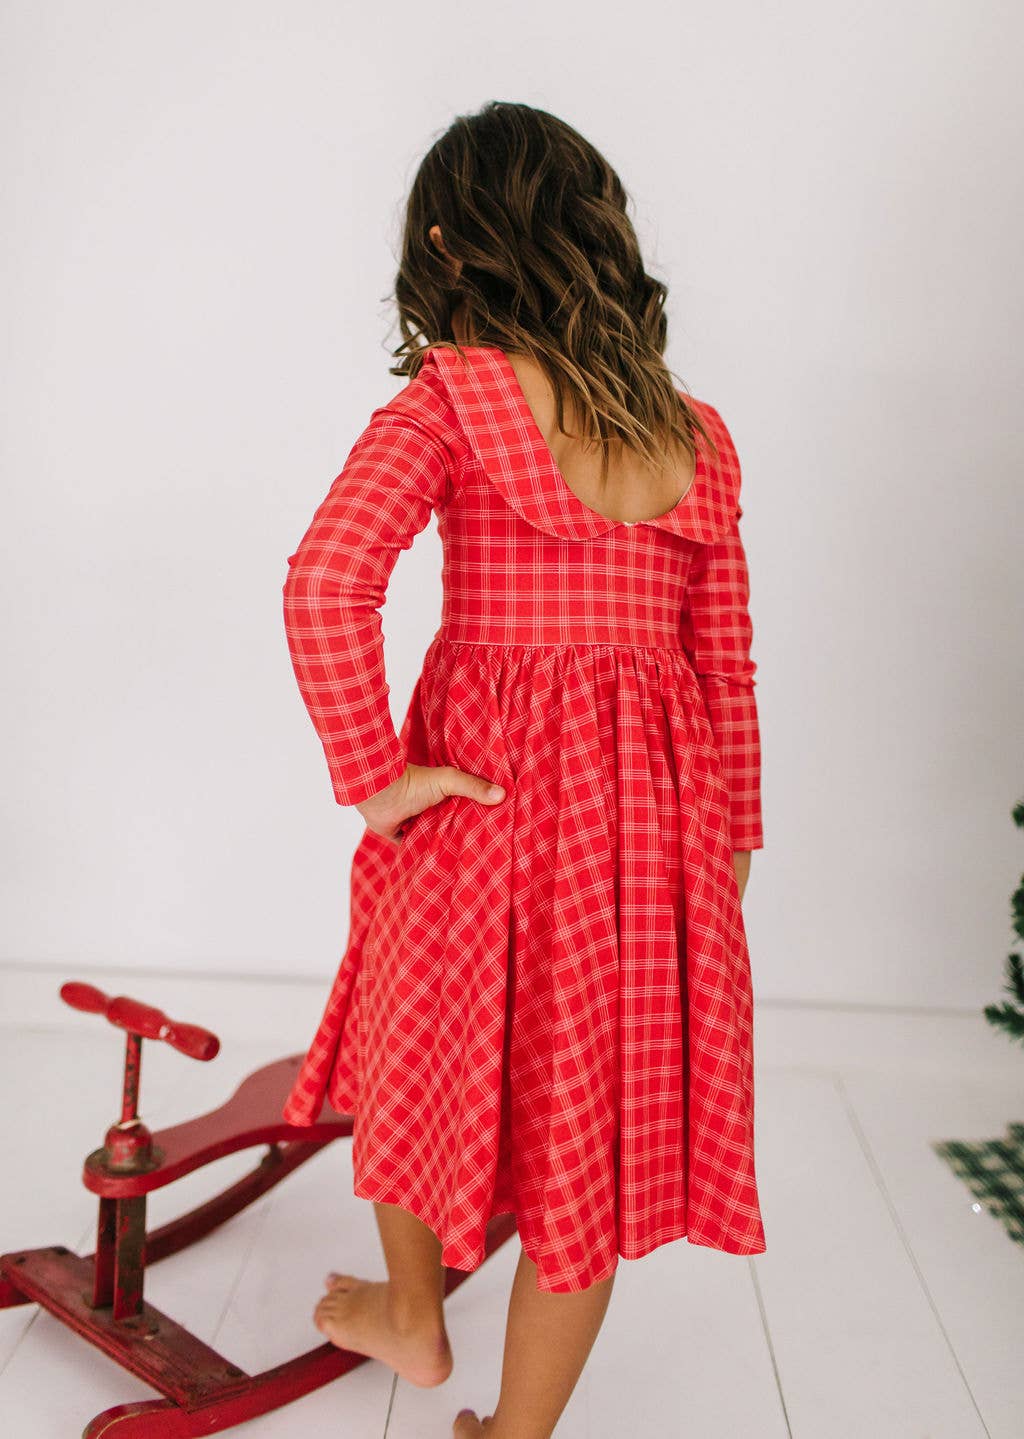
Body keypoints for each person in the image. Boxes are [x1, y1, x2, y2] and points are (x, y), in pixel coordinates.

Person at [279, 100, 766, 1439]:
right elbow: (726, 668)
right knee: (589, 1126)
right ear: (602, 240)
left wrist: (378, 777)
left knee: (408, 1036)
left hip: (482, 804)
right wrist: (725, 848)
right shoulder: (698, 435)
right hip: (646, 830)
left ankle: (413, 1313)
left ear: (445, 242)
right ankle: (520, 1432)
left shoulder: (456, 401)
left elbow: (327, 582)